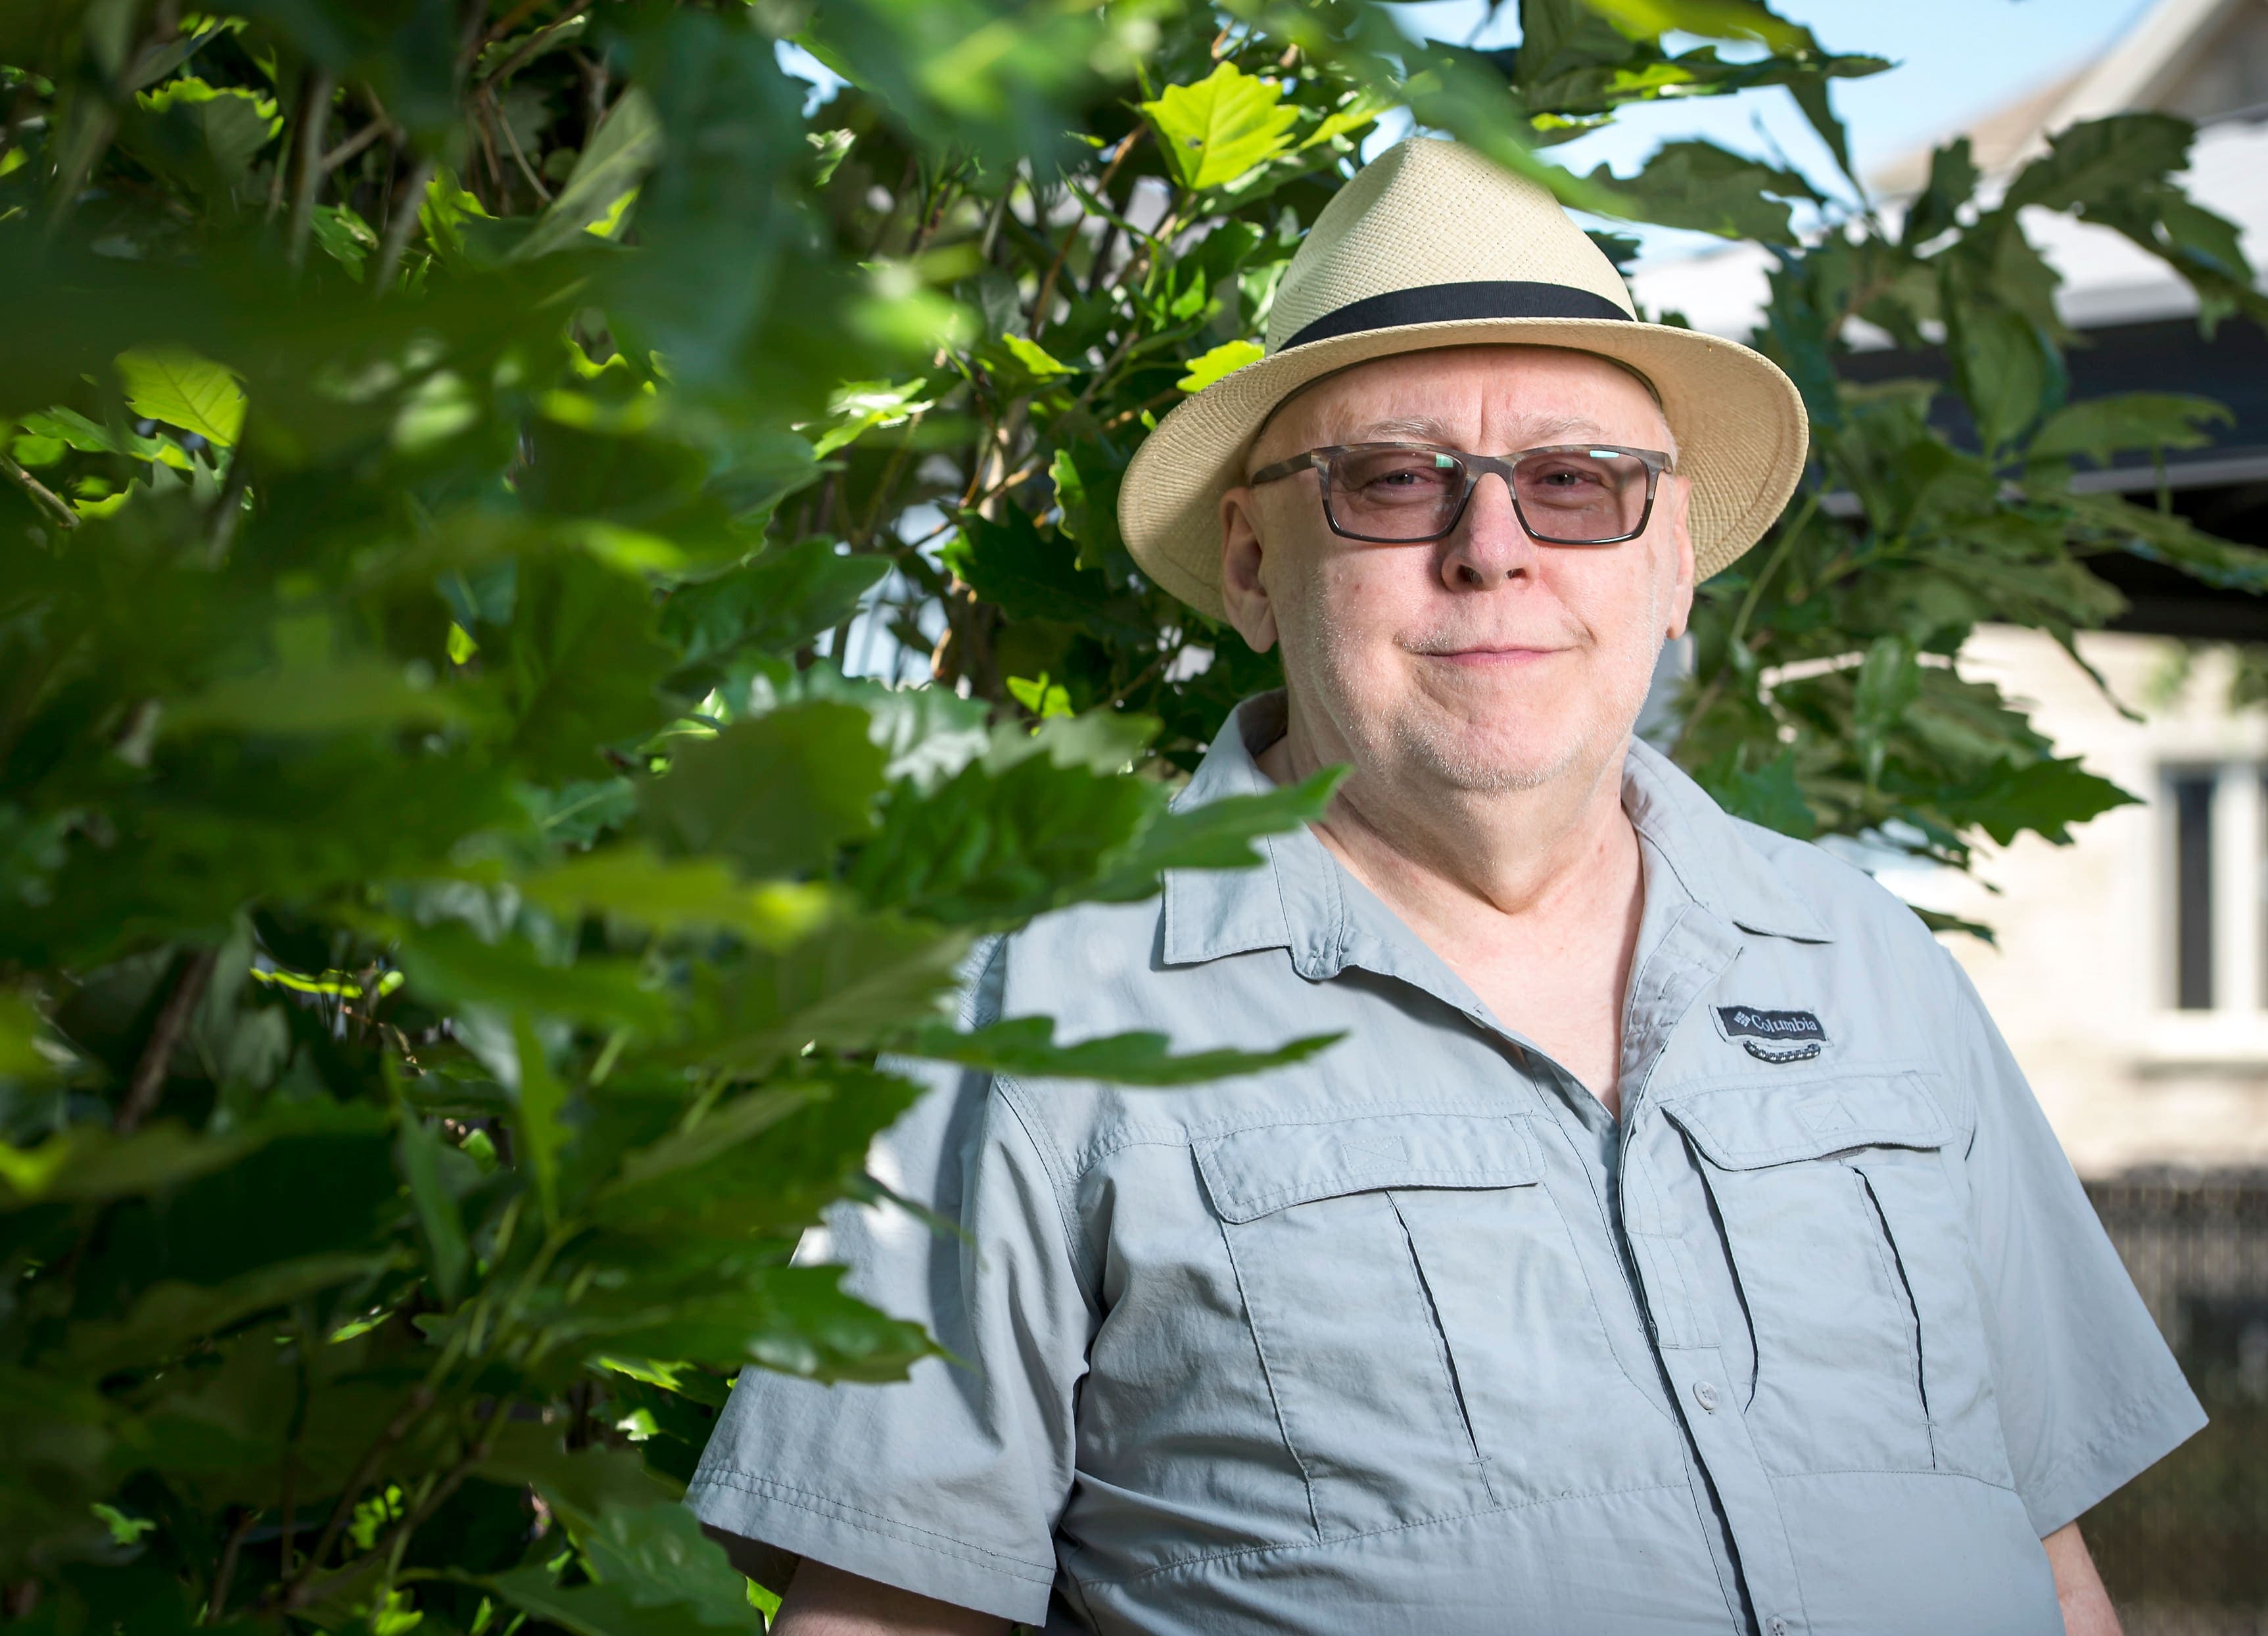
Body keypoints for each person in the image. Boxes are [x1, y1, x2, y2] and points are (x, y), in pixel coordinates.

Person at [688, 137, 2203, 1636]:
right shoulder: (1025, 1010)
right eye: (1395, 482)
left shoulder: (1869, 964)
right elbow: (886, 1616)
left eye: (1575, 482)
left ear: (1671, 562)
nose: (1493, 549)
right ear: (1252, 564)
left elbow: (2050, 1561)